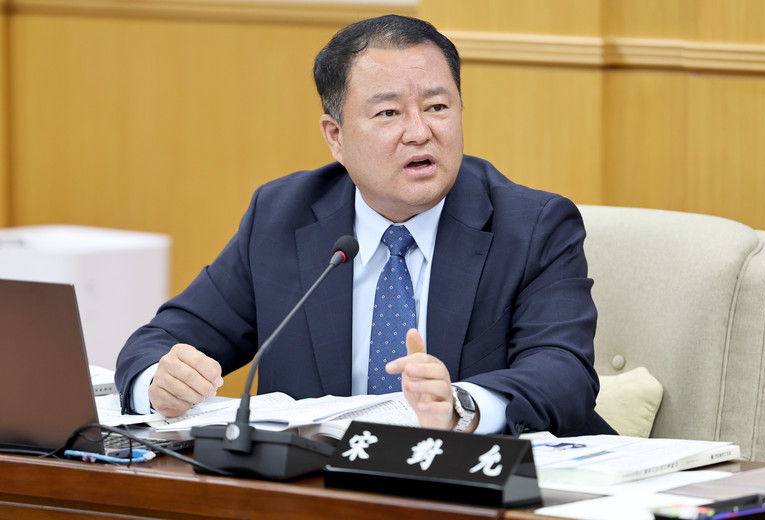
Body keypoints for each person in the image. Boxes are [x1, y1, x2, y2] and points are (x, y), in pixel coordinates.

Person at [115, 14, 615, 437]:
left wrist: (463, 407)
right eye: (389, 112)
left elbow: (563, 374)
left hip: (472, 491)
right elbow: (160, 340)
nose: (419, 131)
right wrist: (160, 380)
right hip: (316, 492)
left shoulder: (532, 227)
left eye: (438, 107)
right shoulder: (283, 215)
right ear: (335, 136)